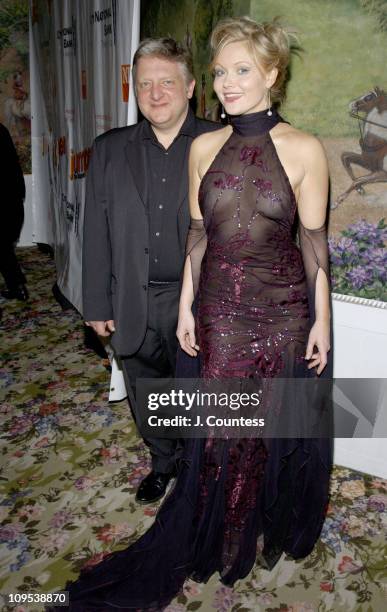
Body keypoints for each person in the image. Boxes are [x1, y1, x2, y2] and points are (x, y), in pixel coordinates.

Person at [60, 17, 333, 611]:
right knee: (209, 425)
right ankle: (202, 504)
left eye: (241, 70)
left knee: (272, 425)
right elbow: (196, 236)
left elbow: (314, 241)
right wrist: (176, 305)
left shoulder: (301, 147)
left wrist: (324, 321)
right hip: (211, 311)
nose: (228, 82)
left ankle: (261, 516)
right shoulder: (188, 149)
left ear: (271, 74)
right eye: (221, 72)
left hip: (281, 312)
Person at [82, 38, 220, 504]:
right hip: (131, 300)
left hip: (198, 302)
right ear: (134, 90)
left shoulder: (219, 145)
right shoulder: (108, 149)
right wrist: (96, 303)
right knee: (148, 391)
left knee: (199, 392)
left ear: (191, 87)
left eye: (167, 82)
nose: (156, 93)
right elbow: (95, 232)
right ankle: (163, 463)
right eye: (145, 84)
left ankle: (200, 468)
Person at [0, 123, 28, 302]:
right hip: (11, 199)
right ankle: (17, 286)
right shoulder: (1, 129)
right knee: (3, 248)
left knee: (2, 248)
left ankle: (17, 286)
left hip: (7, 199)